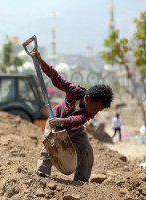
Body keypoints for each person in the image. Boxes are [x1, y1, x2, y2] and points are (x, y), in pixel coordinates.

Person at [32, 49, 114, 182]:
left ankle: (81, 180)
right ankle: (42, 175)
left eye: (99, 110)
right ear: (87, 99)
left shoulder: (88, 114)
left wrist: (62, 121)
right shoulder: (73, 91)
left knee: (87, 150)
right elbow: (55, 77)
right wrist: (40, 61)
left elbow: (77, 120)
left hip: (74, 130)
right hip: (55, 123)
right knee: (49, 146)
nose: (95, 112)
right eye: (96, 108)